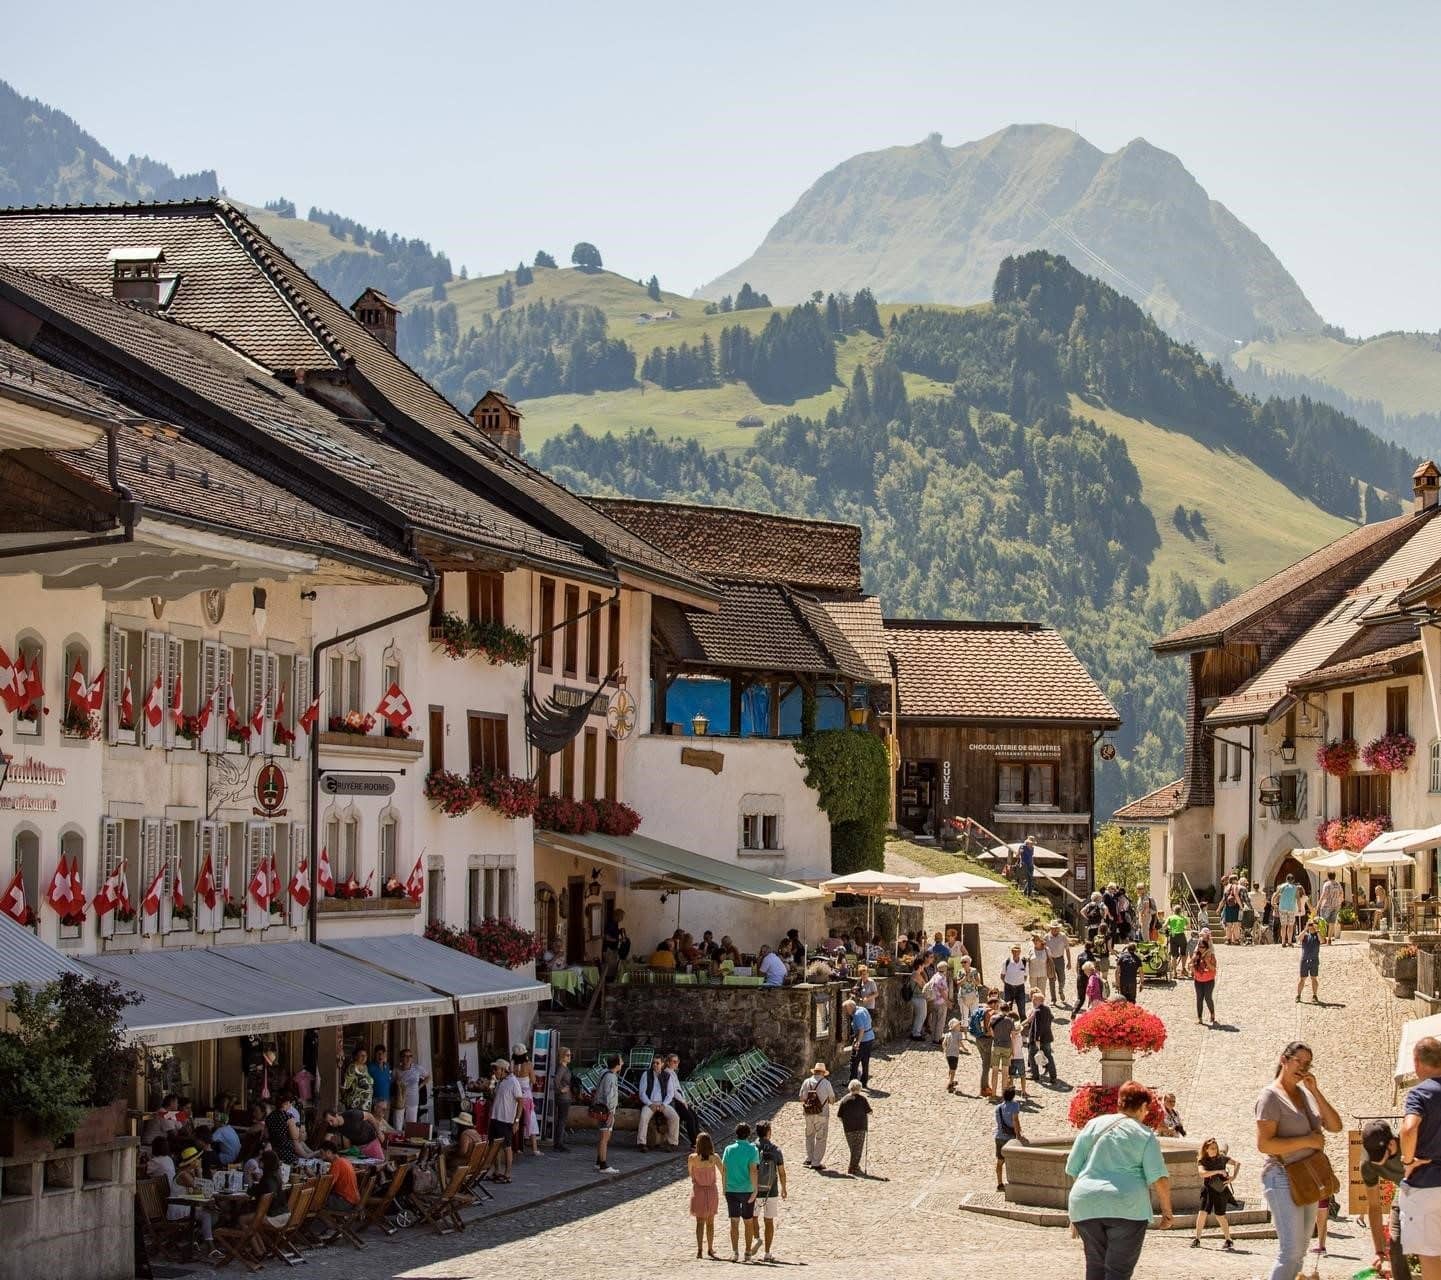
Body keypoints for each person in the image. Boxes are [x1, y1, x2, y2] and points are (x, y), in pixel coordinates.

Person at [1067, 1081, 1173, 1280]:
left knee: (1095, 1269)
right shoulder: (1144, 1134)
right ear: (1142, 1107)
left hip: (1085, 1205)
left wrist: (1081, 1201)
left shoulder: (1093, 1124)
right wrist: (1167, 1212)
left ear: (1119, 1103)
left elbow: (1072, 1166)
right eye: (1146, 1109)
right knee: (1117, 1273)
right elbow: (1159, 1178)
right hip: (1127, 1208)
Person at [1256, 1040, 1343, 1280]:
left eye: (1308, 1063)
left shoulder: (1305, 1094)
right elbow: (1265, 1144)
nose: (1303, 1067)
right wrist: (1308, 1141)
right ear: (1284, 1060)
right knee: (1290, 1251)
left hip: (1308, 1177)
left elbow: (1335, 1125)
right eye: (1299, 1061)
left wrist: (1315, 1090)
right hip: (1282, 1175)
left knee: (1301, 1250)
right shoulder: (1270, 1097)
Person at [1399, 1035, 1441, 1276]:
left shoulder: (1420, 1094)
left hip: (1427, 1183)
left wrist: (1408, 1161)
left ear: (1416, 1062)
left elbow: (1409, 1128)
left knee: (1430, 1254)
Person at [1359, 1119, 1412, 1280]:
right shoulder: (1368, 1164)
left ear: (1391, 1143)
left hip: (1430, 1190)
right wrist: (1379, 1251)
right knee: (1395, 1246)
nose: (1375, 1160)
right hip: (1404, 1191)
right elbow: (1374, 1206)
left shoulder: (1410, 1145)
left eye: (1379, 1155)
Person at [721, 1123, 760, 1262]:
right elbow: (753, 1170)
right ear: (749, 1134)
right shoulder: (752, 1149)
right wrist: (755, 1189)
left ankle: (735, 1252)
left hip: (731, 1189)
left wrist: (724, 1188)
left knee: (734, 1222)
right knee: (748, 1221)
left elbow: (724, 1170)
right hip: (747, 1190)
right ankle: (748, 1252)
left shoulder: (728, 1149)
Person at [1192, 1137, 1239, 1250]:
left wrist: (1233, 1177)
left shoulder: (1222, 1158)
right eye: (1212, 1148)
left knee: (1220, 1216)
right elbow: (1202, 1174)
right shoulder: (1202, 1160)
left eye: (1216, 1148)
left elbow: (1237, 1163)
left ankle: (1228, 1240)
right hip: (1208, 1190)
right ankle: (1197, 1239)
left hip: (1220, 1191)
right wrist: (1218, 1171)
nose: (1214, 1150)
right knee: (1202, 1213)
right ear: (1206, 1149)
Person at [753, 1121, 786, 1262]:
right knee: (769, 1221)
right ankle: (767, 1252)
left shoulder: (752, 1148)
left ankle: (756, 1238)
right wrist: (784, 1188)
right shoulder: (775, 1150)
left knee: (753, 1217)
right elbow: (782, 1172)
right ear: (768, 1132)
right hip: (771, 1190)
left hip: (754, 1190)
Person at [688, 1131, 724, 1260]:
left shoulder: (692, 1158)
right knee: (710, 1222)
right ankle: (710, 1248)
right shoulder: (714, 1158)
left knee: (699, 1222)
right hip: (711, 1191)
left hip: (698, 1191)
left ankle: (699, 1249)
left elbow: (691, 1174)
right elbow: (724, 1171)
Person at [485, 1058, 522, 1182]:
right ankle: (497, 1171)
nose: (494, 1071)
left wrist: (516, 1120)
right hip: (496, 1118)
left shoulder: (513, 1082)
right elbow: (493, 1097)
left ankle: (507, 1174)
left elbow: (520, 1101)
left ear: (502, 1069)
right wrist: (491, 1084)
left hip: (506, 1119)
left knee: (507, 1147)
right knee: (494, 1146)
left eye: (496, 1069)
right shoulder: (500, 1082)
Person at [636, 1053, 681, 1152]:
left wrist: (664, 1105)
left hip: (663, 1103)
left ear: (662, 1064)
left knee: (675, 1117)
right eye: (654, 1063)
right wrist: (650, 1104)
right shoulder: (646, 1074)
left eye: (657, 1063)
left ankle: (672, 1143)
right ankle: (642, 1143)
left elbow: (670, 1094)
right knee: (644, 1117)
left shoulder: (667, 1076)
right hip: (650, 1103)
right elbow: (642, 1093)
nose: (655, 1065)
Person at [798, 1061, 836, 1169]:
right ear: (823, 1073)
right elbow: (832, 1099)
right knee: (821, 1137)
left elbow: (801, 1098)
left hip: (808, 1113)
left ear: (815, 1071)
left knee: (809, 1136)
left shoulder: (806, 1082)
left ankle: (809, 1158)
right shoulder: (826, 1083)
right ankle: (816, 1162)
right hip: (822, 1114)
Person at [836, 1079, 871, 1177]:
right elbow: (869, 1111)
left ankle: (855, 1166)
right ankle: (852, 1167)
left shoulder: (844, 1100)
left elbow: (839, 1116)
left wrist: (845, 1122)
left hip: (848, 1128)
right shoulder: (863, 1099)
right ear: (859, 1089)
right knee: (858, 1148)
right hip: (860, 1126)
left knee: (853, 1148)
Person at [512, 1046, 543, 1157]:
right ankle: (535, 1149)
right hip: (526, 1097)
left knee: (516, 1121)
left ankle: (517, 1147)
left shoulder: (513, 1066)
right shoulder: (529, 1065)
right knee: (531, 1121)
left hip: (515, 1096)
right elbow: (534, 1081)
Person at [593, 1053, 621, 1173]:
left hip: (601, 1108)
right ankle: (603, 1165)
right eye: (621, 1061)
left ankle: (599, 1161)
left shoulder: (604, 1072)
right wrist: (610, 1112)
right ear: (617, 1064)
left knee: (605, 1136)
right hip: (605, 1110)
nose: (623, 1063)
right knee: (604, 1137)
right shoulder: (611, 1077)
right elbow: (609, 1095)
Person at [316, 1139, 360, 1213]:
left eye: (321, 1153)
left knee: (313, 1198)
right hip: (352, 1199)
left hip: (345, 1201)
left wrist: (313, 1176)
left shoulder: (337, 1163)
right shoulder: (344, 1160)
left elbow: (327, 1185)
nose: (320, 1155)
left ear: (329, 1152)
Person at [993, 1085, 1023, 1192]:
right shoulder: (1015, 1105)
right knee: (1013, 1161)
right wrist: (1018, 1134)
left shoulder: (998, 1108)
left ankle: (999, 1183)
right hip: (1009, 1138)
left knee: (1000, 1161)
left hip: (999, 1137)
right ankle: (1014, 1183)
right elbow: (1015, 1120)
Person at [1026, 990, 1057, 1085]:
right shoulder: (1047, 1009)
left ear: (1039, 1001)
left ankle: (1035, 1076)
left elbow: (1036, 1027)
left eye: (1034, 1000)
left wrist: (1037, 1039)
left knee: (1032, 1056)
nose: (1033, 1001)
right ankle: (1053, 1076)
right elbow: (1051, 1018)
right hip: (1047, 1037)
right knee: (1049, 1056)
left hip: (1038, 1039)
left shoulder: (1037, 1011)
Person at [843, 997, 875, 1087]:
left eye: (845, 1009)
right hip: (870, 1037)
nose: (845, 1012)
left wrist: (858, 1042)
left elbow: (861, 1029)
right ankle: (864, 1082)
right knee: (865, 1061)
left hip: (863, 1040)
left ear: (850, 1008)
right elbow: (869, 1021)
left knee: (854, 1061)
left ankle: (852, 1082)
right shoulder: (862, 1009)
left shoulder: (857, 1015)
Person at [395, 1047, 429, 1127]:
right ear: (401, 1058)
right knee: (398, 1125)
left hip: (413, 1100)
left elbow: (428, 1076)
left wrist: (420, 1086)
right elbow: (392, 1083)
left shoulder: (417, 1068)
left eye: (410, 1056)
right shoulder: (396, 1070)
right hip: (400, 1100)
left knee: (411, 1126)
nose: (408, 1058)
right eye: (405, 1056)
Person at [988, 1001, 1015, 1098]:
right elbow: (1013, 1036)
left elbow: (990, 1032)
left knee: (995, 1071)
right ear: (1008, 1010)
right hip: (1007, 1046)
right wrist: (1013, 1050)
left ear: (1000, 1009)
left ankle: (993, 1094)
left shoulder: (993, 1018)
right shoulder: (1010, 1021)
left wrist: (996, 1037)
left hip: (996, 1046)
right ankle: (1004, 1095)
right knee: (1005, 1072)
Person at [1192, 932, 1218, 1024]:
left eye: (1202, 947)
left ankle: (1212, 1013)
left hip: (1209, 980)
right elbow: (1192, 966)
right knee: (1199, 998)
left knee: (1208, 997)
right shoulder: (1196, 955)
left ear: (1207, 947)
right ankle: (1199, 1018)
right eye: (1199, 946)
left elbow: (1214, 968)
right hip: (1198, 980)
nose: (1200, 948)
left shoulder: (1211, 956)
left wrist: (1207, 961)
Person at [365, 1044, 393, 1124]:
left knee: (385, 1122)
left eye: (382, 1054)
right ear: (375, 1055)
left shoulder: (387, 1066)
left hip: (386, 1099)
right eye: (378, 1054)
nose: (380, 1056)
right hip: (375, 1100)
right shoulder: (370, 1067)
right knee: (375, 1122)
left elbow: (389, 1081)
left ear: (385, 1055)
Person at [975, 995, 997, 1096]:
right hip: (987, 1040)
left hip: (978, 1039)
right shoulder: (991, 1013)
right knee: (986, 1066)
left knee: (984, 1063)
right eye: (996, 1004)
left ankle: (986, 1086)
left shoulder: (980, 1010)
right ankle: (984, 1088)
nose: (997, 1006)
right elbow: (989, 1029)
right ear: (993, 1004)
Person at [1043, 923, 1070, 1004]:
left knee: (1062, 979)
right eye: (1053, 928)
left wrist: (1069, 962)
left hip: (1060, 960)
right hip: (1050, 961)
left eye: (1056, 928)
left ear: (1059, 928)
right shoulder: (1046, 937)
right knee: (1051, 980)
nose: (1054, 929)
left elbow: (1067, 949)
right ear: (1050, 928)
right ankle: (1053, 999)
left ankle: (1060, 990)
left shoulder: (1063, 936)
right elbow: (1042, 949)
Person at [923, 962, 950, 1042]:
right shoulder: (942, 978)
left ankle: (934, 1038)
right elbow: (942, 990)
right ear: (945, 969)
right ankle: (937, 1039)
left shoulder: (935, 976)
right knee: (940, 1021)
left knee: (934, 1020)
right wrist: (948, 1001)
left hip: (933, 1001)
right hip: (941, 1002)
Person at [552, 1047, 573, 1152]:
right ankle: (559, 1143)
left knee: (562, 1120)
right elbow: (556, 1080)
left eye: (570, 1055)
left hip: (566, 1097)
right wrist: (561, 1090)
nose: (569, 1057)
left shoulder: (564, 1067)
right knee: (562, 1121)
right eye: (567, 1055)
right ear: (562, 1056)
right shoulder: (561, 1068)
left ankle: (559, 1142)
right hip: (563, 1098)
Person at [341, 1047, 374, 1113]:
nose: (364, 1057)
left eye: (365, 1055)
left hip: (365, 1104)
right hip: (356, 1104)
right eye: (361, 1055)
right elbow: (345, 1086)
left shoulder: (365, 1067)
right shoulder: (352, 1068)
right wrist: (346, 1101)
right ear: (356, 1057)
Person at [1297, 917, 1322, 1003]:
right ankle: (1298, 995)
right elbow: (1299, 939)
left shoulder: (1317, 935)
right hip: (1304, 960)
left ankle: (1315, 995)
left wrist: (1317, 930)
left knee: (1314, 978)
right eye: (1310, 924)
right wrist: (1305, 929)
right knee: (1302, 979)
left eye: (1312, 924)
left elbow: (1322, 941)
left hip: (1314, 960)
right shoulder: (1305, 935)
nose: (1311, 926)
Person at [1316, 872, 1343, 944]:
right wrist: (1340, 902)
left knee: (1323, 922)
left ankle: (1323, 938)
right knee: (1332, 922)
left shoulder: (1327, 884)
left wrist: (1318, 904)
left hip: (1326, 906)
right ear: (1335, 876)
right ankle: (1329, 939)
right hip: (1336, 905)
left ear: (1328, 877)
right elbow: (1341, 894)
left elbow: (1323, 895)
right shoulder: (1338, 884)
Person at [904, 960, 929, 1040]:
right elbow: (923, 986)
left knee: (920, 1015)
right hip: (918, 997)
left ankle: (916, 1032)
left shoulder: (916, 974)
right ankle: (916, 1034)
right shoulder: (916, 974)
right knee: (921, 1016)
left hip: (918, 997)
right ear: (919, 966)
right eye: (922, 966)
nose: (923, 967)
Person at [602, 908, 631, 976]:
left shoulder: (615, 923)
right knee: (609, 971)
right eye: (622, 916)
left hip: (613, 949)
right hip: (608, 950)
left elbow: (614, 933)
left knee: (613, 969)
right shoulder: (610, 923)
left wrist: (620, 930)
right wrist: (619, 940)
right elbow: (607, 938)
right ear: (618, 916)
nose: (622, 918)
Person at [1163, 907, 1190, 978]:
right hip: (1181, 936)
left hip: (1173, 936)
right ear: (1180, 911)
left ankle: (1174, 972)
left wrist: (1169, 928)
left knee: (1173, 955)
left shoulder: (1170, 917)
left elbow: (1164, 926)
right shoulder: (1183, 918)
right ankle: (1183, 968)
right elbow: (1188, 927)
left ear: (1173, 911)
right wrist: (1183, 928)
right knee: (1184, 953)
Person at [1001, 944, 1029, 1012]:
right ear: (1011, 951)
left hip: (1020, 988)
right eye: (1014, 951)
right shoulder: (1006, 962)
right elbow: (1002, 975)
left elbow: (1025, 976)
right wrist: (1009, 982)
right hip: (1008, 987)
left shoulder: (1024, 962)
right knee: (1007, 1008)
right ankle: (1008, 1022)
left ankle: (1023, 1021)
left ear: (1020, 952)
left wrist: (1018, 981)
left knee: (1022, 1008)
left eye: (1018, 951)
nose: (1016, 953)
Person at [1276, 874, 1301, 946]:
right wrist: (1299, 908)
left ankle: (1283, 942)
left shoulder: (1282, 886)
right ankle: (1289, 942)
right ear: (1293, 880)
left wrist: (1273, 902)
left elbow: (1276, 895)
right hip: (1291, 908)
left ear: (1286, 879)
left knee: (1283, 925)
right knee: (1290, 926)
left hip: (1282, 908)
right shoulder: (1295, 888)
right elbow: (1298, 899)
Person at [942, 1019, 965, 1093]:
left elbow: (943, 1043)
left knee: (950, 1068)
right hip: (955, 1054)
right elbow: (960, 1042)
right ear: (955, 1027)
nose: (960, 1026)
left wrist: (945, 1050)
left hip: (948, 1054)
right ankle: (950, 1085)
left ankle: (950, 1080)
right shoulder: (959, 1034)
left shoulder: (947, 1034)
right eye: (958, 1025)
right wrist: (964, 1048)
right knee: (953, 1070)